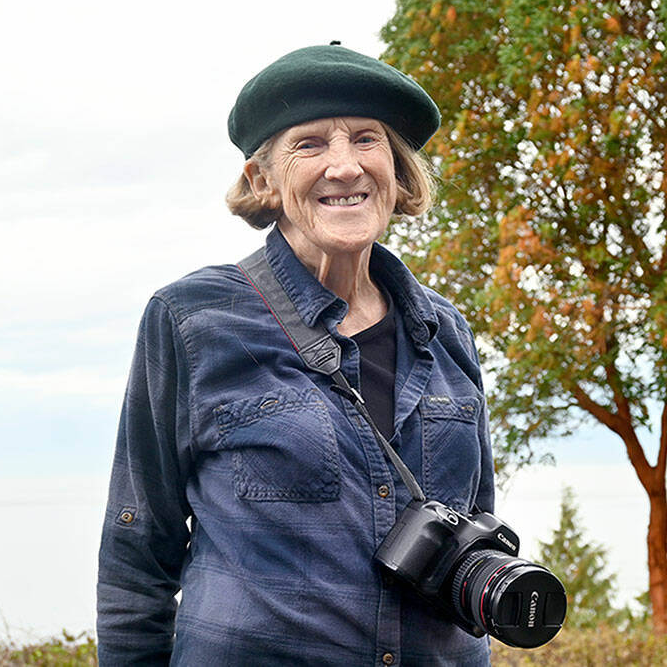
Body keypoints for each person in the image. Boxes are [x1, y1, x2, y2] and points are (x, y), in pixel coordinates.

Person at [97, 43, 494, 666]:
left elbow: (476, 525)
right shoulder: (191, 318)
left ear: (396, 170)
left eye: (367, 140)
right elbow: (137, 552)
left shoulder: (446, 330)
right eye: (309, 144)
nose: (345, 167)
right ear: (264, 181)